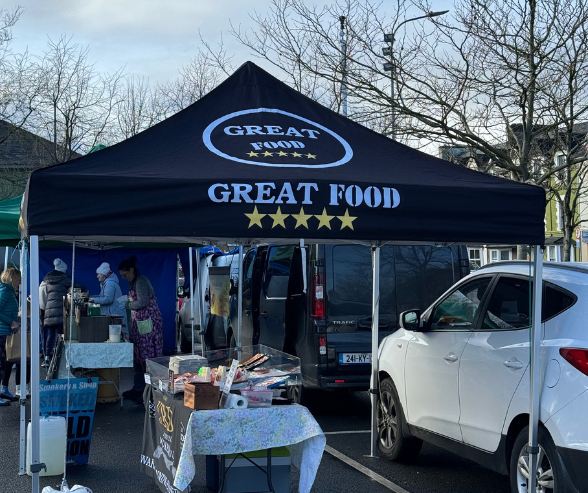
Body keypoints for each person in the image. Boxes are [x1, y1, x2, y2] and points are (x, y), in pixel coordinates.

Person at [118, 256, 163, 402]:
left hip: (147, 323)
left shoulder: (141, 281)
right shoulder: (135, 282)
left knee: (147, 357)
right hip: (141, 323)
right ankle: (139, 387)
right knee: (139, 356)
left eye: (125, 275)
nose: (124, 278)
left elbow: (143, 301)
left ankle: (148, 390)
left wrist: (128, 305)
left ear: (131, 270)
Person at [39, 258, 86, 367]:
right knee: (62, 336)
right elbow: (81, 286)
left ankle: (46, 359)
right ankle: (60, 359)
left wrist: (45, 308)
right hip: (60, 312)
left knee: (50, 335)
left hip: (49, 312)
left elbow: (42, 297)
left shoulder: (46, 279)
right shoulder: (65, 279)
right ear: (63, 270)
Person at [0, 268, 21, 405]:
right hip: (2, 333)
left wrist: (17, 321)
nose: (20, 281)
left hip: (7, 332)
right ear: (12, 278)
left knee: (8, 361)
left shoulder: (9, 291)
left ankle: (5, 389)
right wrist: (11, 321)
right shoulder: (5, 291)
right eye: (18, 278)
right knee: (2, 363)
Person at [89, 262, 126, 329]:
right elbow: (103, 296)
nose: (97, 276)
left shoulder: (109, 284)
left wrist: (94, 300)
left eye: (98, 274)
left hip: (115, 316)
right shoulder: (107, 283)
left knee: (117, 335)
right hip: (114, 314)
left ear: (103, 275)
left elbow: (108, 299)